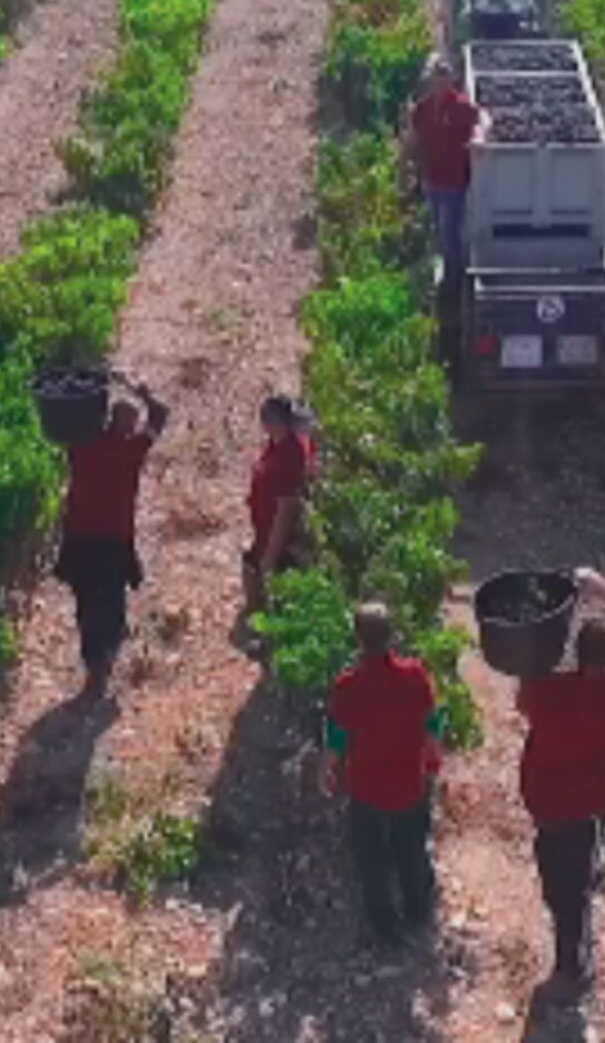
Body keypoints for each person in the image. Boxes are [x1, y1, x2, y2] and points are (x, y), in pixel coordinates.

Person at [518, 567, 605, 987]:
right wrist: (604, 589)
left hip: (545, 804)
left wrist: (548, 623)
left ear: (576, 652)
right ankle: (573, 954)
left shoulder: (548, 692)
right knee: (574, 885)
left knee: (562, 889)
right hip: (589, 806)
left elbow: (524, 687)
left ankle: (571, 967)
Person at [326, 603, 444, 947]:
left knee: (373, 864)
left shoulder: (347, 686)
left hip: (367, 791)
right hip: (409, 784)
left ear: (358, 640)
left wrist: (327, 767)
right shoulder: (415, 675)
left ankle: (387, 934)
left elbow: (338, 737)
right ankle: (419, 915)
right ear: (391, 635)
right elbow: (432, 720)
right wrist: (434, 754)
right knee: (413, 853)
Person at [57, 379, 169, 698]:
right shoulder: (131, 449)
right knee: (106, 602)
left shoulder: (84, 445)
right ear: (122, 423)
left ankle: (98, 663)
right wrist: (144, 394)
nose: (134, 427)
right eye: (130, 421)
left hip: (84, 537)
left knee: (89, 602)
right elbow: (161, 415)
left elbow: (63, 422)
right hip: (109, 540)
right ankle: (100, 663)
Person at [405, 56, 482, 286]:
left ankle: (453, 277)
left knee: (449, 230)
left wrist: (479, 137)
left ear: (452, 81)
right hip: (432, 180)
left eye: (445, 79)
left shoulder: (461, 106)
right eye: (437, 79)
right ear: (432, 81)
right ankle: (445, 271)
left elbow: (482, 119)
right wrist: (404, 170)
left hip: (454, 182)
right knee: (439, 227)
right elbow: (412, 140)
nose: (441, 84)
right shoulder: (423, 109)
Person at [242, 393, 316, 617]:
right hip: (264, 532)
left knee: (276, 602)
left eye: (265, 419)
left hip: (279, 542)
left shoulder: (289, 455)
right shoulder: (278, 445)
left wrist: (270, 556)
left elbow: (286, 508)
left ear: (276, 423)